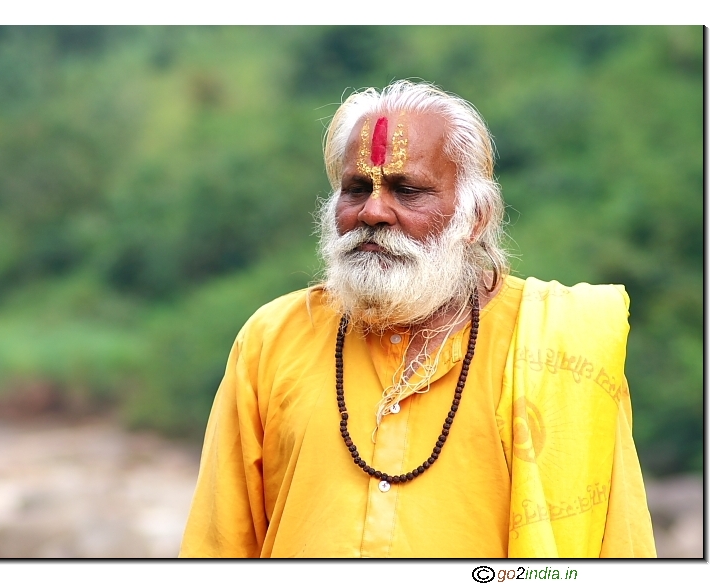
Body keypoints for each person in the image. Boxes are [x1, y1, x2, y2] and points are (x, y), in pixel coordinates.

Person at [178, 80, 656, 558]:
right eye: (356, 189)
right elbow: (218, 547)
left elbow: (620, 545)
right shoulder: (271, 339)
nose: (373, 211)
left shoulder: (559, 346)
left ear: (475, 217)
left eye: (407, 191)